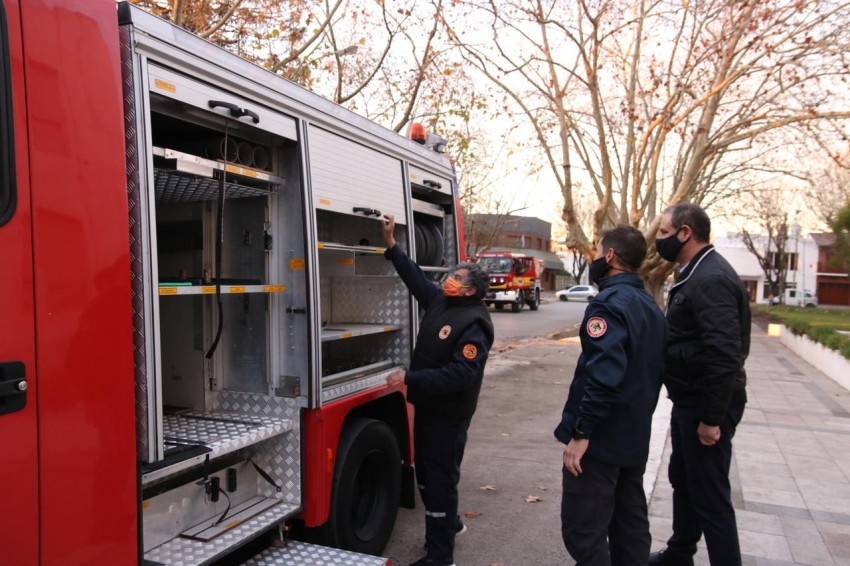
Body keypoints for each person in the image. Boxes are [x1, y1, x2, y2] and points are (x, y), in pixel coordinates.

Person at [381, 214, 494, 566]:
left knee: (440, 481)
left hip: (448, 416)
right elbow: (415, 279)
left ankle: (441, 556)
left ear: (470, 289)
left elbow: (461, 375)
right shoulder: (443, 302)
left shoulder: (474, 322)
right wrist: (391, 244)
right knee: (429, 478)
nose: (448, 280)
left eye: (456, 278)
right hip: (429, 409)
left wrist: (410, 378)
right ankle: (451, 524)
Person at [554, 225, 667, 565]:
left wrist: (582, 433)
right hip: (632, 438)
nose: (594, 257)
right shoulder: (650, 305)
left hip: (602, 440)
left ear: (611, 256)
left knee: (583, 532)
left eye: (597, 250)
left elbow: (603, 377)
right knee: (629, 528)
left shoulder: (608, 305)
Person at [650, 203, 751, 566]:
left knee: (710, 496)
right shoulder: (694, 273)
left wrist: (711, 419)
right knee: (684, 479)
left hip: (706, 405)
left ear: (685, 232)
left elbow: (724, 354)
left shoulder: (710, 278)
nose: (659, 239)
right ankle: (679, 554)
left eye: (663, 232)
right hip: (689, 399)